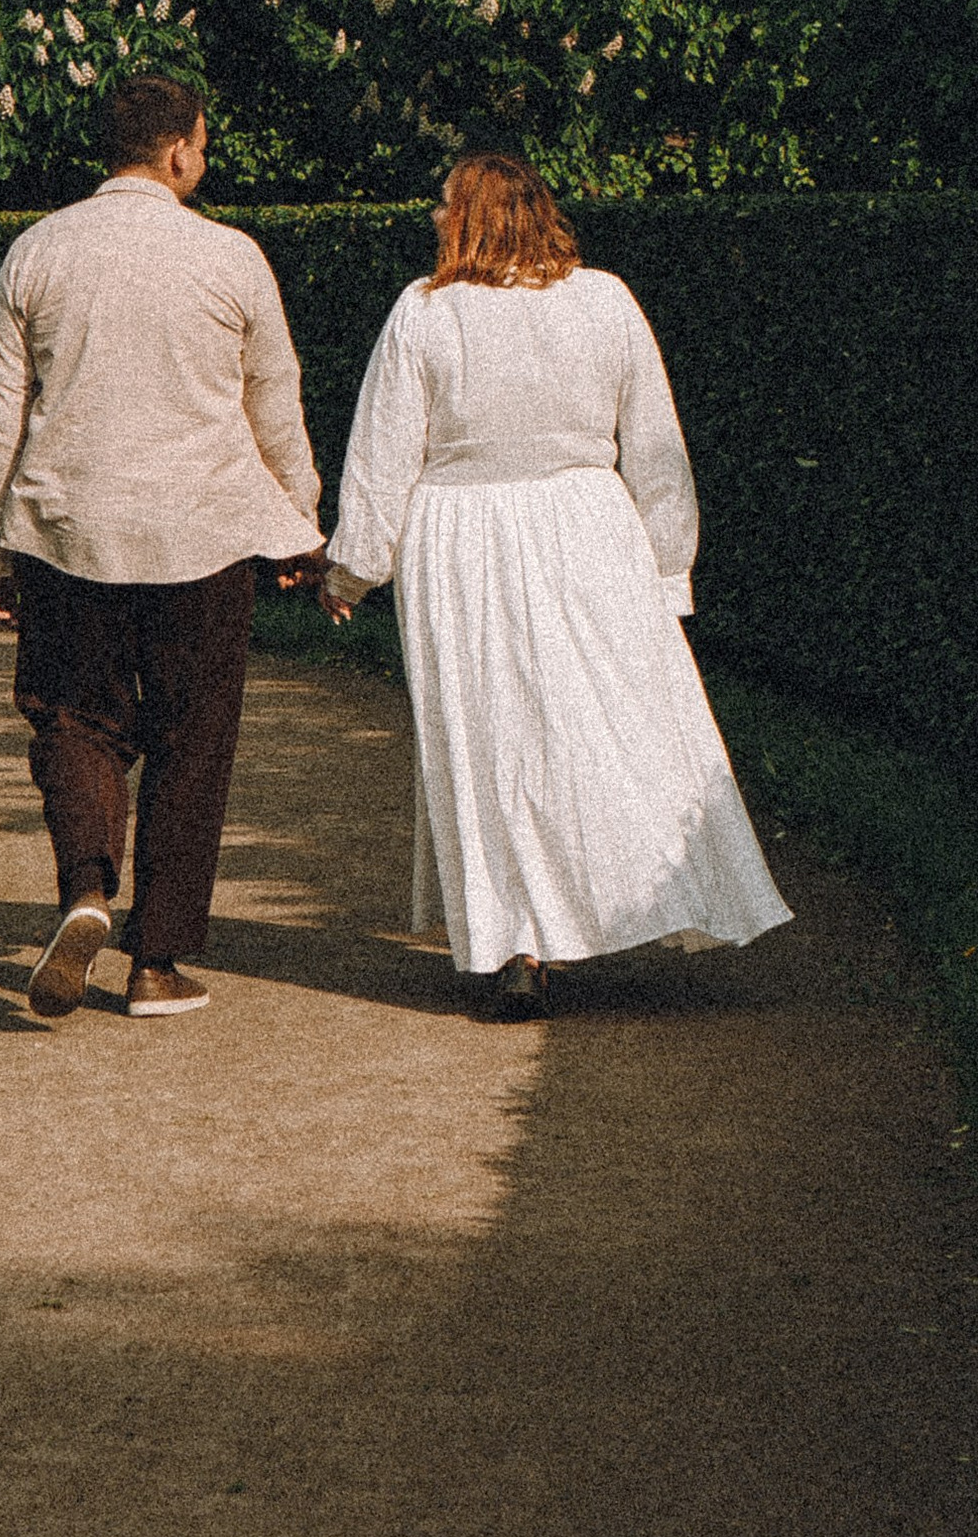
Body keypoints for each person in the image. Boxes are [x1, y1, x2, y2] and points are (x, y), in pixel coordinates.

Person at [323, 151, 790, 1018]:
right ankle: (603, 908)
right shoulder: (605, 300)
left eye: (445, 204)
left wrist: (353, 567)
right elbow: (656, 447)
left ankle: (523, 943)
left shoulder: (424, 312)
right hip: (589, 528)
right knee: (610, 723)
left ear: (474, 218)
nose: (434, 217)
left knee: (493, 733)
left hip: (465, 538)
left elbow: (384, 453)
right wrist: (667, 569)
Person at [0, 70, 326, 1021]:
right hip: (202, 533)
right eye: (202, 143)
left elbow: (0, 417)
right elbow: (274, 403)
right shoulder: (232, 258)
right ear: (178, 152)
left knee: (73, 719)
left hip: (67, 529)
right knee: (190, 740)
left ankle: (87, 890)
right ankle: (156, 963)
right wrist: (300, 525)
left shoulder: (36, 252)